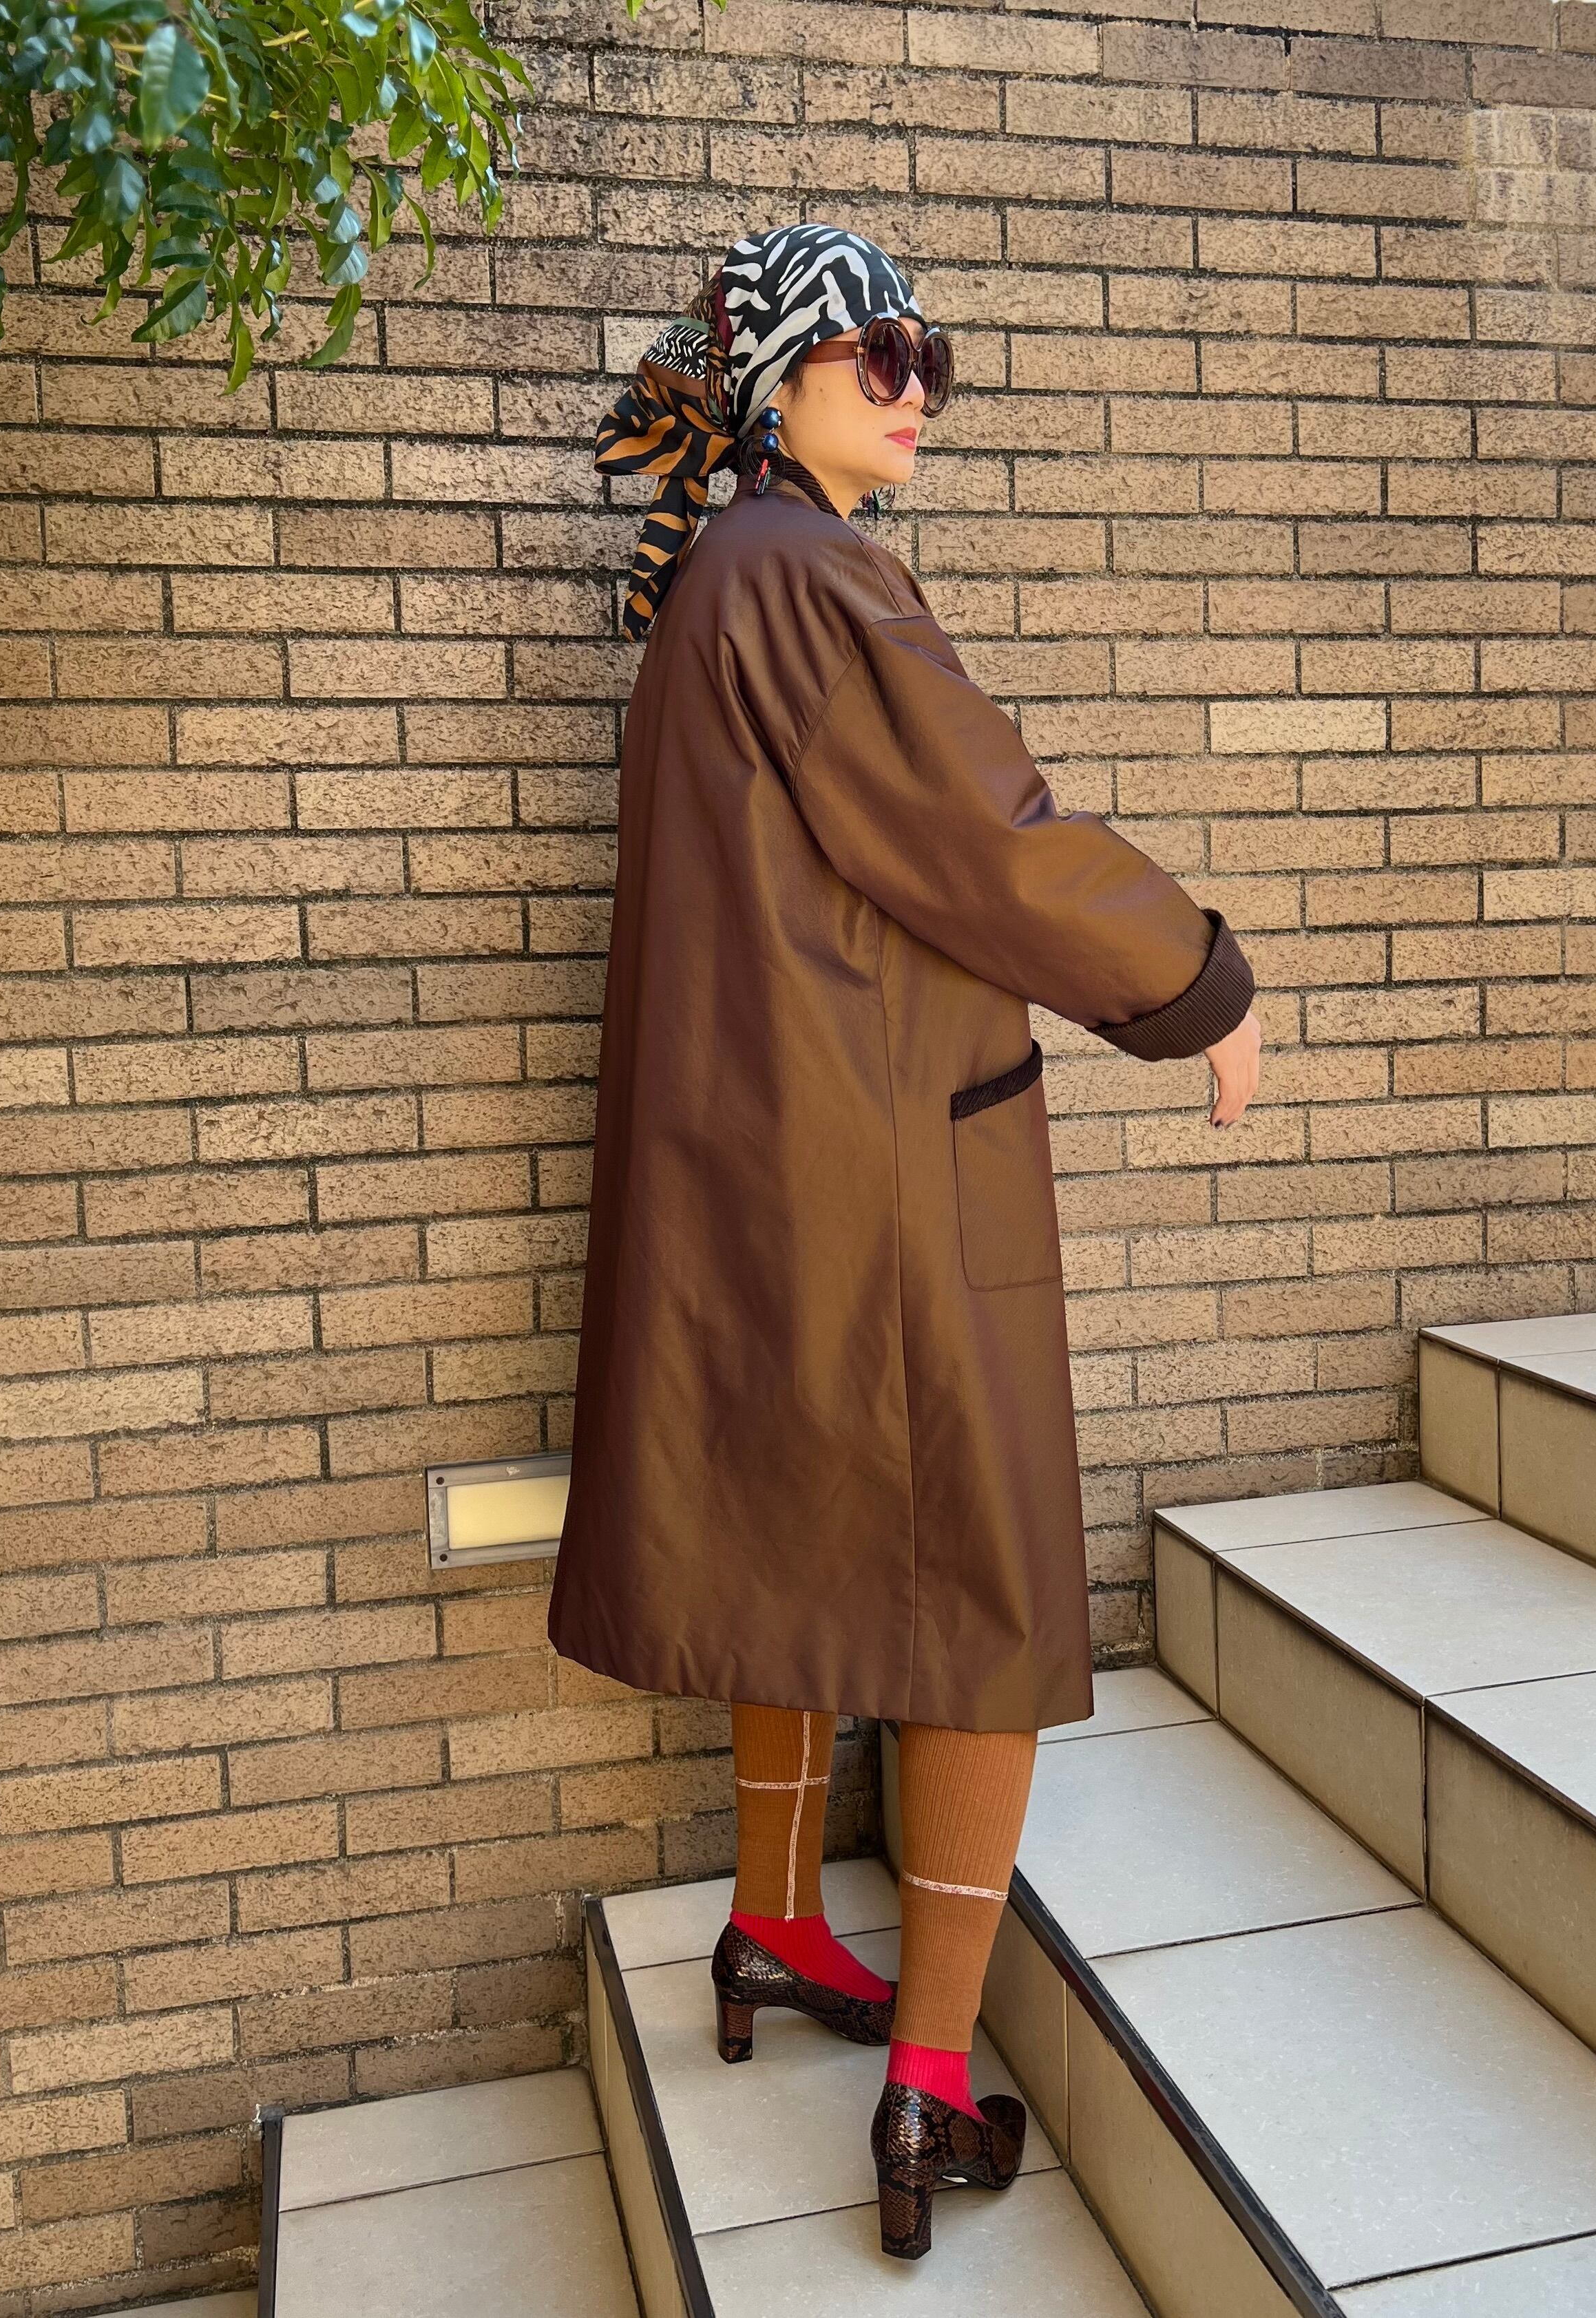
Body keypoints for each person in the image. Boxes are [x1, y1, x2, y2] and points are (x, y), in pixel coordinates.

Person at [547, 222, 1261, 2260]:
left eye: (931, 355)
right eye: (880, 352)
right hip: (875, 1178)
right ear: (779, 376)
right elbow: (984, 840)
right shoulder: (808, 576)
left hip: (769, 1169)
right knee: (973, 1588)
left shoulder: (727, 574)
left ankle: (774, 1926)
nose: (919, 386)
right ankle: (929, 2089)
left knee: (796, 1541)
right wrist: (1197, 986)